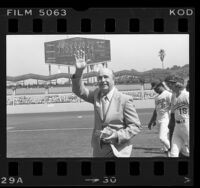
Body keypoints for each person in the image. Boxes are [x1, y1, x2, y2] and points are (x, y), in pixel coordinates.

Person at [71, 50, 141, 157]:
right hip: (99, 150)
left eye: (106, 77)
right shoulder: (95, 95)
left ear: (113, 80)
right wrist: (79, 71)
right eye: (99, 78)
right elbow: (78, 90)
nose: (102, 80)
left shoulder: (124, 100)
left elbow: (135, 126)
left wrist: (116, 135)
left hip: (118, 151)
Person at [166, 76, 190, 157]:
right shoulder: (174, 96)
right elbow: (172, 111)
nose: (170, 85)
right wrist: (171, 122)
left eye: (172, 83)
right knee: (173, 152)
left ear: (178, 85)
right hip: (177, 127)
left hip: (187, 125)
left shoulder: (186, 95)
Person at [148, 79, 172, 153]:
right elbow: (156, 110)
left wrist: (172, 119)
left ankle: (172, 149)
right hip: (159, 119)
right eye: (153, 88)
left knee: (162, 138)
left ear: (160, 85)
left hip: (166, 118)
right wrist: (152, 120)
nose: (154, 90)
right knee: (165, 138)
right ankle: (167, 152)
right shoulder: (157, 97)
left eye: (155, 88)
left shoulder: (168, 94)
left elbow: (173, 106)